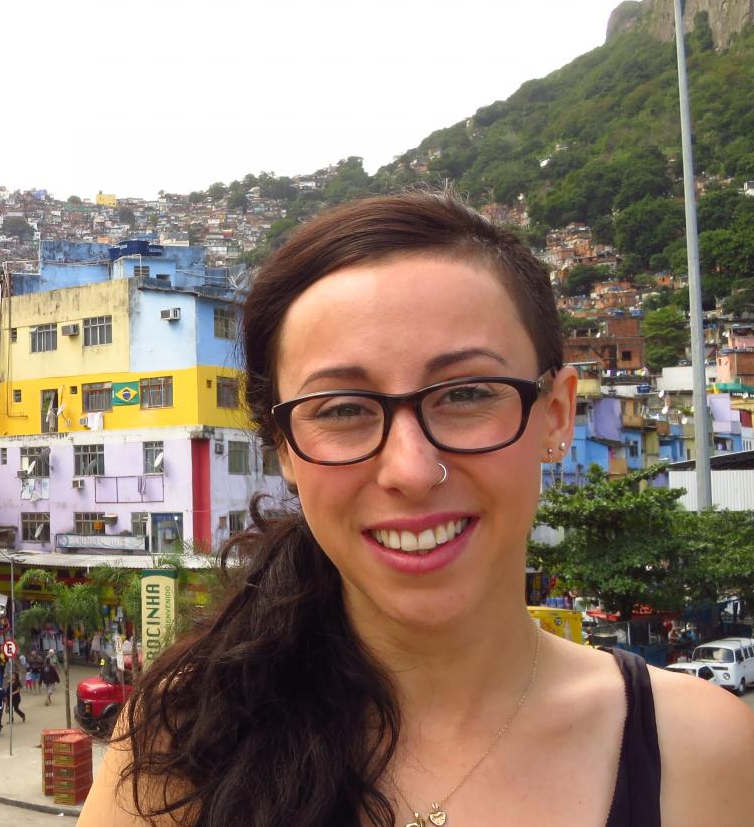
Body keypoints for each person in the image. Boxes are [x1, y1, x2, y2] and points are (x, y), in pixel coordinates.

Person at [79, 193, 754, 827]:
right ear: (282, 448)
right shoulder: (182, 747)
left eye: (465, 395)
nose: (409, 470)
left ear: (556, 414)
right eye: (342, 409)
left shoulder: (703, 754)